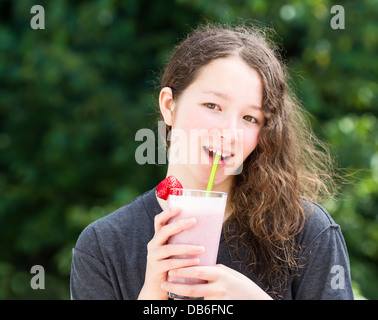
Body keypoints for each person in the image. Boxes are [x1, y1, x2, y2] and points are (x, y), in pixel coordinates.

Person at [70, 23, 354, 300]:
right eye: (212, 106)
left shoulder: (306, 232)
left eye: (249, 118)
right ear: (169, 106)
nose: (228, 133)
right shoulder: (103, 246)